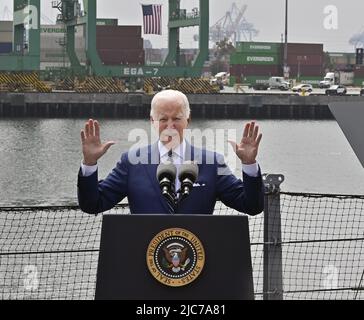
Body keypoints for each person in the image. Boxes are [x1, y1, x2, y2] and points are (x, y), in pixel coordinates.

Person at [78, 89, 264, 215]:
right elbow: (93, 205)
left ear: (188, 120)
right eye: (163, 119)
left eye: (177, 118)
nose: (170, 126)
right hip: (144, 263)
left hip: (197, 264)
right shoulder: (132, 162)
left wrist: (248, 164)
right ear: (152, 121)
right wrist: (89, 164)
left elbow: (251, 206)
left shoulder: (211, 162)